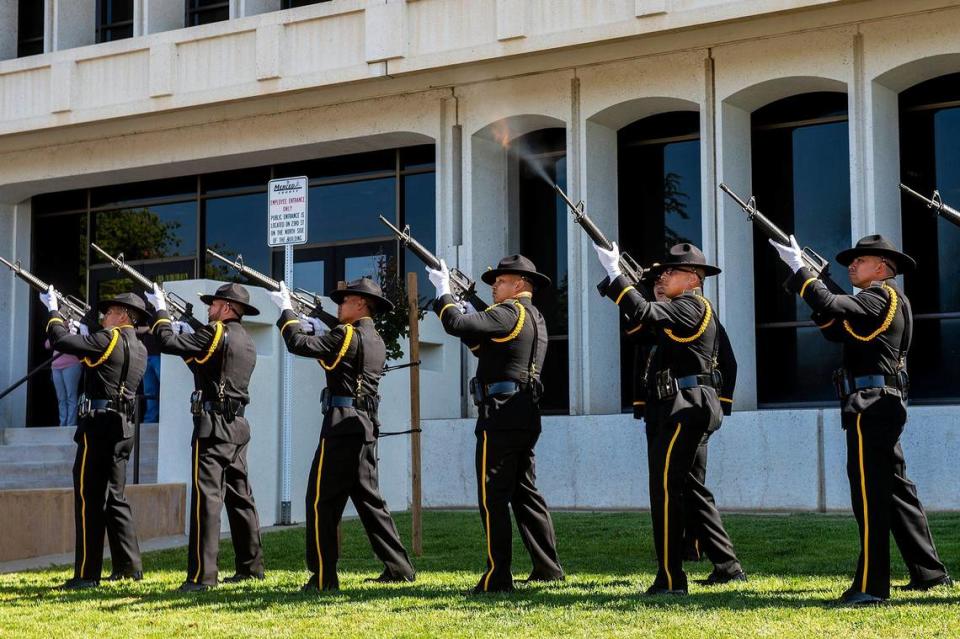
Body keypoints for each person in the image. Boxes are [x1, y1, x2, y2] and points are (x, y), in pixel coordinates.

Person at [770, 234, 951, 605]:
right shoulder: (877, 303)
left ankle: (871, 586)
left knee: (870, 496)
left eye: (860, 260)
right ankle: (929, 573)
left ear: (881, 268)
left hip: (873, 405)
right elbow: (838, 328)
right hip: (876, 404)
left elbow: (832, 302)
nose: (851, 265)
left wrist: (801, 270)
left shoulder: (881, 296)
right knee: (898, 493)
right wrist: (812, 285)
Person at [595, 242, 745, 595]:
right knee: (691, 488)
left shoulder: (690, 306)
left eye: (670, 273)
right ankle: (727, 566)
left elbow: (646, 313)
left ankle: (670, 577)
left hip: (684, 406)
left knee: (665, 488)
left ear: (693, 278)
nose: (662, 277)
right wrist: (618, 283)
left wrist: (617, 274)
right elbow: (640, 327)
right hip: (685, 405)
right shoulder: (683, 310)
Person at [427, 255, 564, 594]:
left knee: (494, 496)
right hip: (524, 413)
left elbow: (457, 326)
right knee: (524, 493)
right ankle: (548, 568)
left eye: (500, 281)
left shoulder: (507, 313)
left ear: (519, 283)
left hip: (500, 413)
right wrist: (461, 305)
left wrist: (444, 293)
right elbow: (483, 347)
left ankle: (498, 575)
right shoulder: (534, 316)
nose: (493, 286)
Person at [270, 278, 415, 592]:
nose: (339, 306)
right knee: (369, 501)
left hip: (341, 426)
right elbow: (339, 359)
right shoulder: (373, 337)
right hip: (364, 426)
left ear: (361, 303)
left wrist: (287, 312)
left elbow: (298, 344)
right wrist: (319, 324)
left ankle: (323, 576)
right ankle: (399, 568)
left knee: (322, 501)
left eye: (345, 300)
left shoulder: (347, 334)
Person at [148, 282, 265, 592]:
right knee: (241, 499)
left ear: (226, 307)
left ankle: (202, 576)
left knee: (207, 500)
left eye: (213, 304)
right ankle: (250, 568)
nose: (209, 309)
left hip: (213, 426)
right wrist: (187, 329)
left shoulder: (216, 332)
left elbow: (165, 342)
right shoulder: (246, 340)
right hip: (237, 426)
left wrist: (161, 311)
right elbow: (205, 366)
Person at [42, 289, 148, 588]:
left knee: (89, 499)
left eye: (110, 312)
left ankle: (87, 574)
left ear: (124, 316)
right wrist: (82, 332)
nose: (104, 317)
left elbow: (61, 342)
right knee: (115, 498)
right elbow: (100, 363)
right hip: (123, 427)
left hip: (99, 426)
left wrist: (54, 312)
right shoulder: (138, 347)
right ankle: (129, 567)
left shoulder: (109, 339)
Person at [45, 338, 83, 426]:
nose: (65, 322)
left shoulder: (75, 329)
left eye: (66, 322)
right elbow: (47, 345)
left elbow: (81, 342)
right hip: (55, 367)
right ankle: (62, 424)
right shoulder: (57, 331)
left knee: (71, 396)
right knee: (61, 398)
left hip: (71, 365)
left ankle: (70, 425)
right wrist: (55, 333)